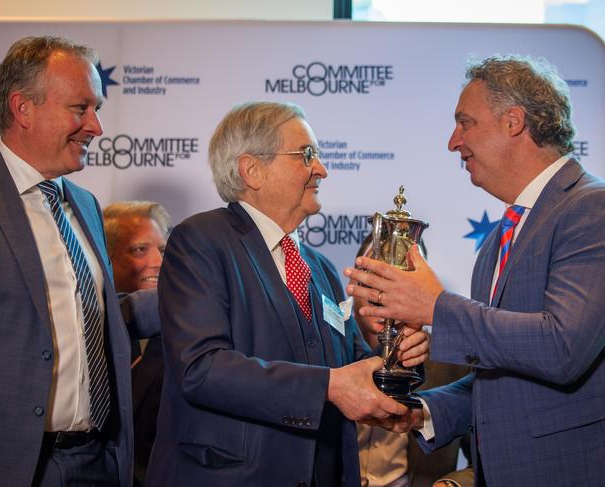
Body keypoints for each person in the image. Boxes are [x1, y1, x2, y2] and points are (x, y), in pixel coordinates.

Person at [345, 55, 605, 486]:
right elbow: (502, 378)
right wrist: (422, 412)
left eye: (465, 123)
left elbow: (562, 349)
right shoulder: (499, 240)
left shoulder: (590, 208)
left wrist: (435, 307)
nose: (453, 141)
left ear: (513, 122)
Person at [146, 101, 429, 487]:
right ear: (252, 170)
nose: (322, 169)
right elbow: (201, 368)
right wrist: (329, 385)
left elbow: (352, 366)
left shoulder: (321, 267)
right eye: (306, 155)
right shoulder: (201, 241)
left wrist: (396, 354)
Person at [0, 36, 158, 486]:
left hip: (97, 463)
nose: (96, 127)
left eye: (98, 109)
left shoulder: (84, 204)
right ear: (23, 108)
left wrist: (185, 299)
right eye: (80, 108)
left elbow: (80, 315)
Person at [353, 235, 471, 487]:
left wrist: (453, 485)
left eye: (400, 280)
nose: (383, 292)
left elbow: (487, 461)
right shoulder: (322, 349)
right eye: (373, 275)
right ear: (353, 281)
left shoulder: (453, 362)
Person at [103, 200, 172, 486]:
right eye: (140, 250)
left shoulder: (187, 333)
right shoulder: (83, 332)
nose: (157, 262)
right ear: (106, 255)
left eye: (163, 250)